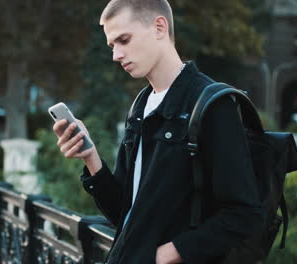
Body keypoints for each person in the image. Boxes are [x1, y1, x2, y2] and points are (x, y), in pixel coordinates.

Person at [53, 0, 262, 263]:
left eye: (124, 40)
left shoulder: (212, 104)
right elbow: (125, 212)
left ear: (159, 27)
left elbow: (243, 214)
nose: (115, 55)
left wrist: (167, 253)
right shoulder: (140, 105)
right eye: (112, 45)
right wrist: (90, 157)